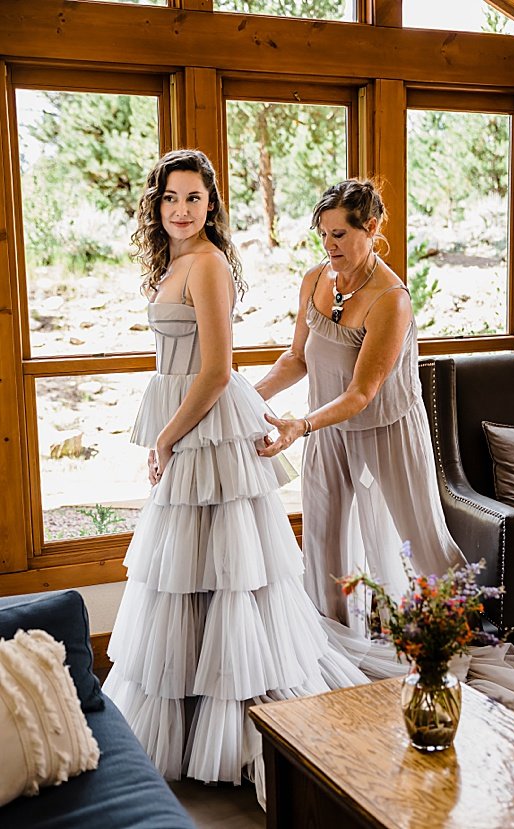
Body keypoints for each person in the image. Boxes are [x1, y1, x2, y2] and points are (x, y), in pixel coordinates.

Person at [104, 149, 363, 784]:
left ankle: (244, 728)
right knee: (183, 574)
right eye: (170, 198)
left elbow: (217, 370)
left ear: (210, 205)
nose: (181, 210)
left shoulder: (210, 265)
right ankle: (189, 720)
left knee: (228, 576)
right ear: (156, 203)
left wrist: (165, 438)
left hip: (205, 427)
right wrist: (165, 435)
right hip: (186, 419)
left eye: (193, 199)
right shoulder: (174, 262)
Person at [254, 179, 465, 625]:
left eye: (340, 235)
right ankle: (335, 642)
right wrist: (249, 397)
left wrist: (301, 425)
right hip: (327, 430)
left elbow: (362, 393)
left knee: (419, 537)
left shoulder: (391, 299)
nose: (329, 245)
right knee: (323, 539)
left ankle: (457, 630)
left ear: (370, 227)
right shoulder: (314, 280)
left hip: (387, 430)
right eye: (323, 234)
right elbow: (296, 358)